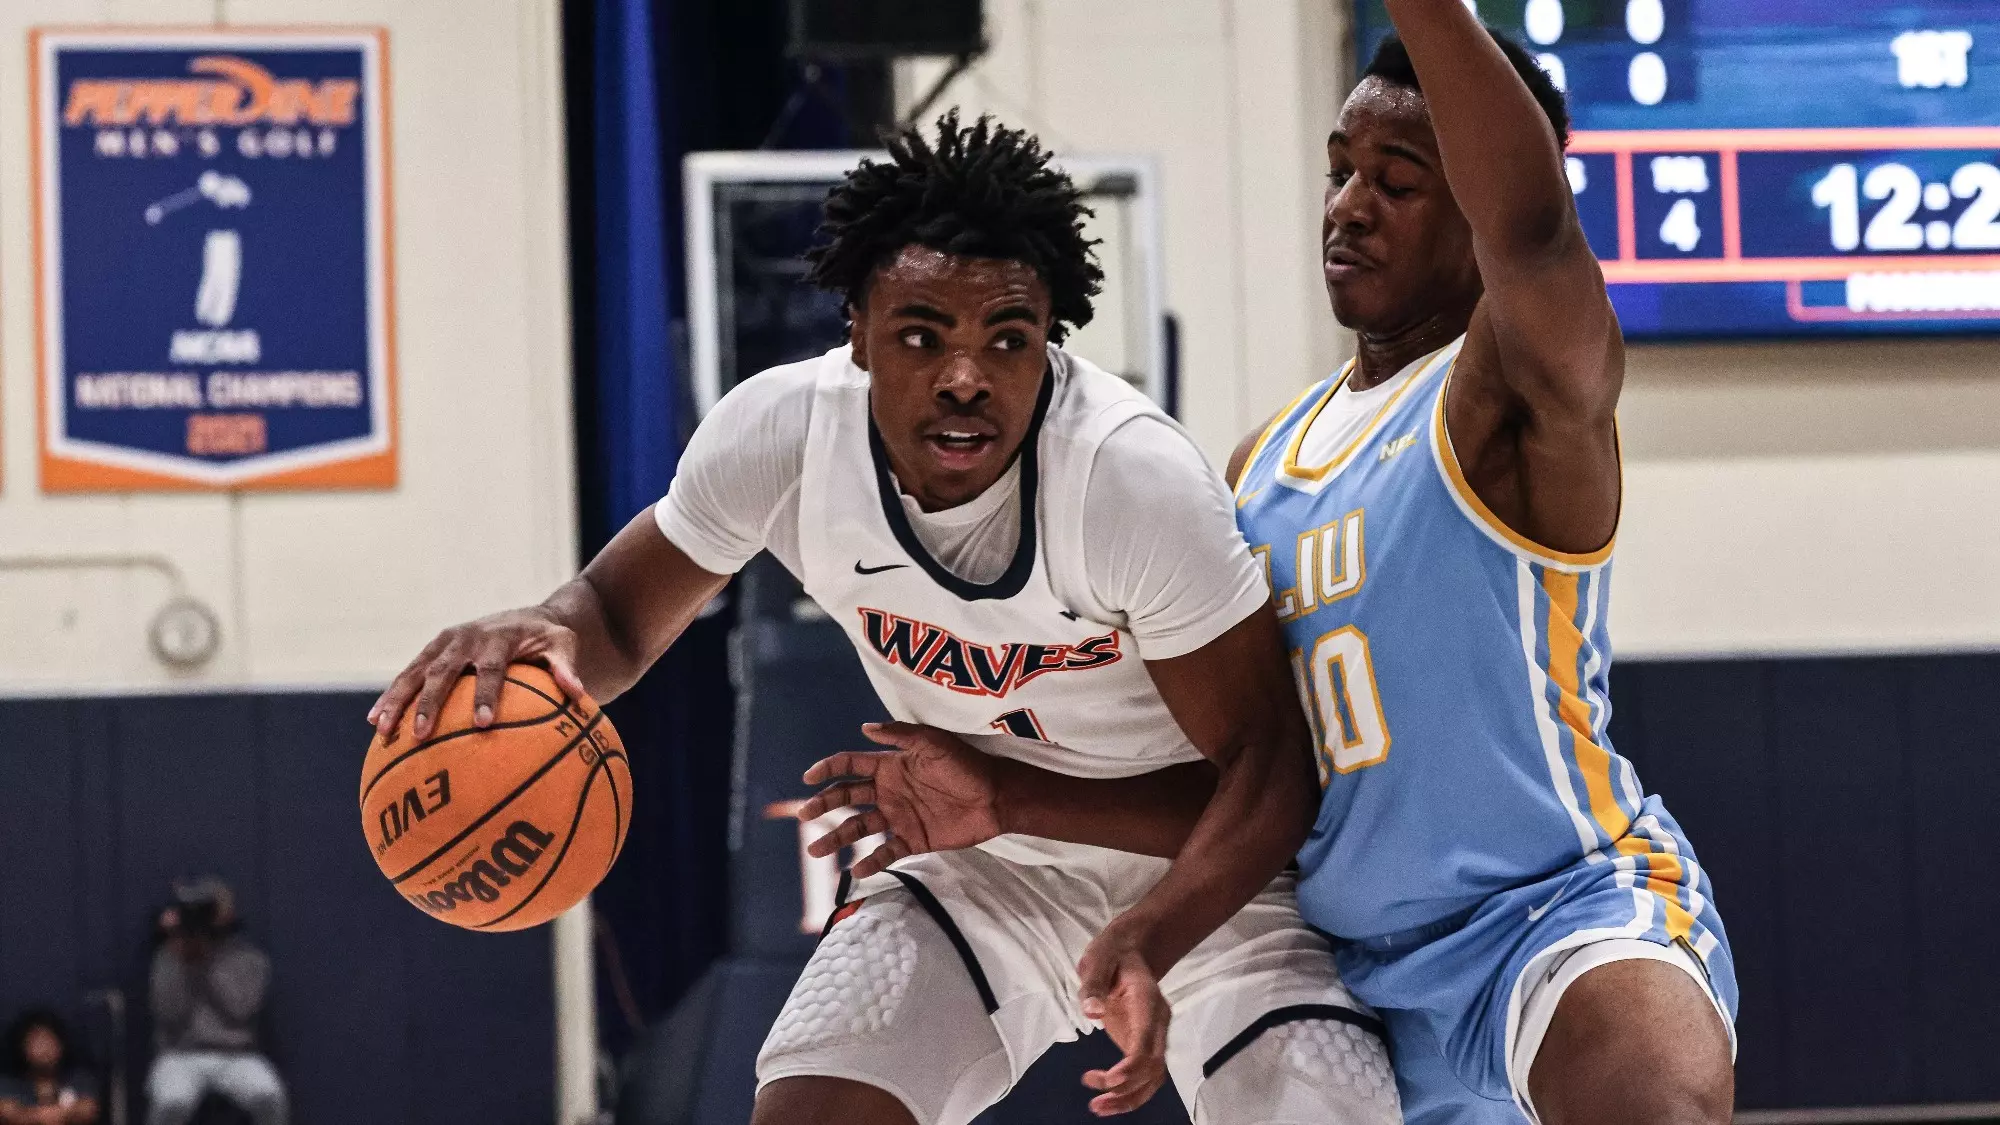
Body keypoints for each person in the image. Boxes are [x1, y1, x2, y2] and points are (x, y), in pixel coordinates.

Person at [369, 112, 1400, 1125]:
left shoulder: (1126, 480)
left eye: (1008, 339)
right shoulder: (779, 436)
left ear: (1048, 341)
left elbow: (1269, 784)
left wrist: (1096, 883)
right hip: (981, 873)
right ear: (856, 331)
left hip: (1210, 883)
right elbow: (616, 620)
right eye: (921, 335)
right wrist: (547, 629)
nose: (965, 377)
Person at [1223, 4, 1738, 1123]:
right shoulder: (1256, 464)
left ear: (1471, 202)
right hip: (1344, 968)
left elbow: (1535, 237)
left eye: (1397, 181)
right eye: (1338, 170)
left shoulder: (1507, 392)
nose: (1349, 205)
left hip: (1555, 915)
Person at [146, 879, 287, 1125]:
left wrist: (208, 963)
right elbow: (168, 1013)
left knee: (269, 1096)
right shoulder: (169, 956)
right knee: (171, 1102)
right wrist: (185, 963)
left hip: (236, 1054)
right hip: (180, 1053)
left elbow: (240, 1010)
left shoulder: (248, 958)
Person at [0, 1008, 100, 1125]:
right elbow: (8, 1113)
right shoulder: (8, 1084)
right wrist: (45, 1116)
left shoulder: (79, 1079)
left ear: (61, 1045)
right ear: (22, 1047)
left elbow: (88, 1110)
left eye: (49, 1041)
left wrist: (39, 1114)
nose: (44, 1049)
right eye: (37, 1042)